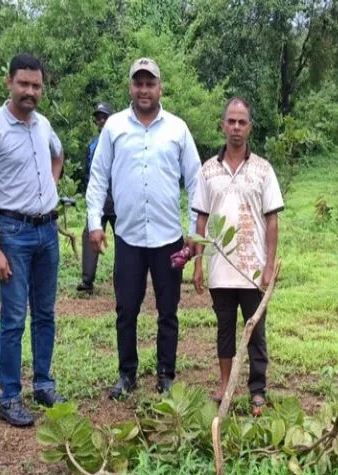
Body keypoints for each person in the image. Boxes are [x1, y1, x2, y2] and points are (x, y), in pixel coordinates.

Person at [86, 57, 203, 400]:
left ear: (159, 88)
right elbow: (98, 177)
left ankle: (166, 374)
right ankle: (127, 374)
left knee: (168, 311)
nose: (144, 90)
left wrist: (195, 230)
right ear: (130, 87)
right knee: (126, 309)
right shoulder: (114, 127)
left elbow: (196, 181)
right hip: (129, 237)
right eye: (138, 83)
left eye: (150, 83)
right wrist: (94, 223)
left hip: (169, 238)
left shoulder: (177, 129)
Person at [0, 53, 67, 427]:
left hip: (47, 232)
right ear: (9, 82)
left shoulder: (43, 125)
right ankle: (9, 396)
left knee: (45, 313)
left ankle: (43, 384)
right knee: (13, 318)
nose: (30, 91)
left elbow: (58, 154)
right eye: (23, 83)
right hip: (12, 233)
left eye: (36, 86)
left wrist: (51, 185)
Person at [192, 97, 284, 415]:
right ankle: (225, 385)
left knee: (255, 329)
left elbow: (272, 220)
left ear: (250, 128)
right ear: (223, 126)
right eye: (231, 121)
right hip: (220, 268)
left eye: (241, 122)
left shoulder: (262, 170)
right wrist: (198, 264)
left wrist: (269, 265)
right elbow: (201, 220)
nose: (235, 127)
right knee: (225, 328)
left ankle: (257, 390)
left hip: (253, 268)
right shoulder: (208, 170)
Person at [77, 102, 116, 294]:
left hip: (117, 200)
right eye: (98, 118)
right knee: (90, 235)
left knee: (124, 240)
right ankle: (87, 281)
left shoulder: (119, 141)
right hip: (99, 200)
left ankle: (124, 279)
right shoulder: (92, 145)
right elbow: (88, 174)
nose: (101, 121)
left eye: (104, 117)